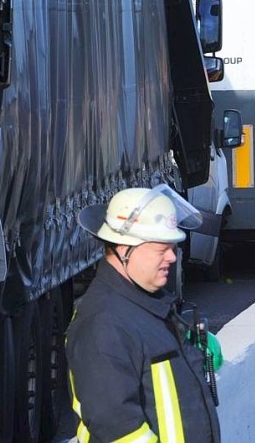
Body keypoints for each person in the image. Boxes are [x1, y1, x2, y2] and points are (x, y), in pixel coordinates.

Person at [66, 185, 221, 442]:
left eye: (172, 248)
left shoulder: (147, 305)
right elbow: (118, 429)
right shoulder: (103, 324)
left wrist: (190, 344)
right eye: (161, 249)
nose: (172, 257)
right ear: (124, 250)